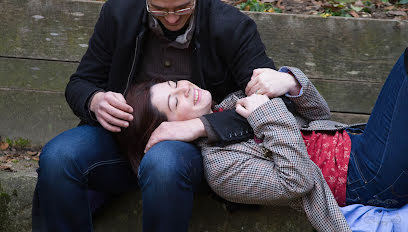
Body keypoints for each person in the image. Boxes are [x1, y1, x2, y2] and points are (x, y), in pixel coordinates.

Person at [32, 0, 295, 231]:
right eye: (158, 8)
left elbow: (271, 105)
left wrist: (201, 125)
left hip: (200, 153)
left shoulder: (232, 28)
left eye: (182, 7)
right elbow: (81, 83)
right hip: (124, 139)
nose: (170, 18)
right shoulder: (118, 15)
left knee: (163, 162)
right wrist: (94, 100)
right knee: (60, 156)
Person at [117, 49, 408, 232]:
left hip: (362, 145)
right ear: (173, 129)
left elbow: (320, 117)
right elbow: (298, 181)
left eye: (175, 83)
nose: (185, 88)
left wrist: (292, 84)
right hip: (366, 179)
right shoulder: (221, 169)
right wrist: (266, 113)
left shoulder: (232, 104)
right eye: (174, 101)